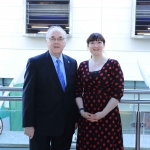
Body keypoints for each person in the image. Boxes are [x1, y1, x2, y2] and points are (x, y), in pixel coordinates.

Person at [22, 26, 78, 150]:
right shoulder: (35, 62)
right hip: (41, 126)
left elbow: (73, 94)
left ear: (65, 42)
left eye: (60, 38)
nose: (56, 42)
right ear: (47, 41)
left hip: (65, 126)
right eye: (52, 38)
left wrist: (75, 120)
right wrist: (28, 124)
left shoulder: (72, 63)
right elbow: (28, 95)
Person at [75, 33, 124, 150]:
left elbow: (118, 92)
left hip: (108, 115)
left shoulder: (113, 64)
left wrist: (103, 113)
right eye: (92, 42)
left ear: (104, 45)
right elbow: (77, 91)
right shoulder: (82, 66)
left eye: (99, 42)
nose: (95, 45)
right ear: (88, 46)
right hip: (87, 115)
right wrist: (81, 111)